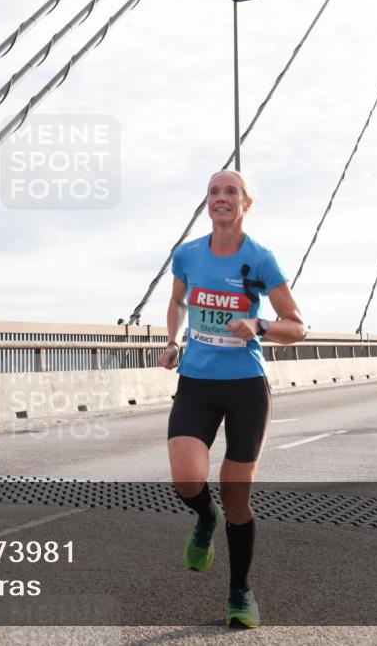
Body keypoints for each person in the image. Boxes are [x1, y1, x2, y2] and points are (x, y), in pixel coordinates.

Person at [157, 169, 307, 629]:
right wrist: (172, 340)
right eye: (214, 192)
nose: (221, 198)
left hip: (245, 385)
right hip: (197, 381)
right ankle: (206, 519)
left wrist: (259, 326)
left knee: (237, 498)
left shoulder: (261, 259)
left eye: (231, 192)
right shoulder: (187, 255)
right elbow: (178, 304)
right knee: (187, 478)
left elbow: (297, 326)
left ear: (246, 204)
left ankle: (240, 593)